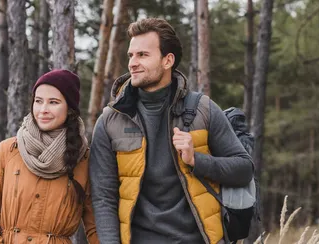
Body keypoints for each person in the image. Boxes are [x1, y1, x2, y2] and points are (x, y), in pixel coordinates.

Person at [90, 18, 254, 244]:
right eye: (131, 55)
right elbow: (103, 198)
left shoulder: (202, 110)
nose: (132, 63)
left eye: (143, 55)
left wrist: (197, 160)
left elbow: (244, 169)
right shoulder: (111, 120)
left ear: (168, 60)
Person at [0, 69, 98, 244]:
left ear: (70, 109)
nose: (43, 110)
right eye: (38, 101)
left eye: (53, 102)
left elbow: (95, 227)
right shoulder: (8, 150)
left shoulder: (84, 159)